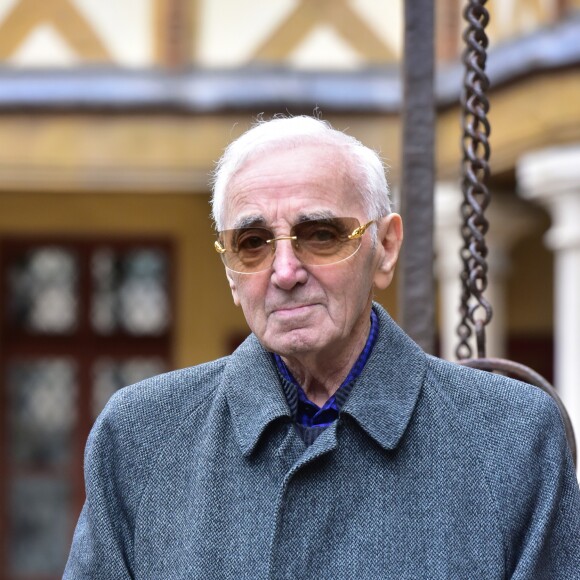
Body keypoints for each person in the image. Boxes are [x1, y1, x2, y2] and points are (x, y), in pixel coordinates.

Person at [64, 116, 580, 579]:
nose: (284, 272)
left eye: (321, 235)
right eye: (252, 243)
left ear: (386, 248)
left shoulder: (513, 438)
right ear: (229, 269)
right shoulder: (138, 438)